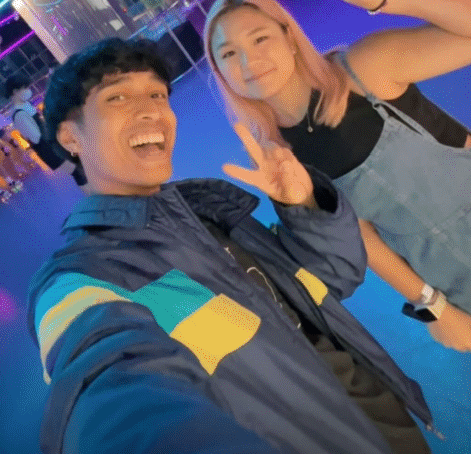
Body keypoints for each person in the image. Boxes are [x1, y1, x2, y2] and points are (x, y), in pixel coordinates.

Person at [28, 38, 435, 453]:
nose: (150, 108)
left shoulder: (208, 212)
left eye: (157, 94)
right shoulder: (79, 278)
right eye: (116, 97)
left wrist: (306, 207)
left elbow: (336, 277)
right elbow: (108, 388)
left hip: (384, 422)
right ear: (69, 136)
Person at [204, 0, 471, 352]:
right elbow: (362, 237)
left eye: (260, 38)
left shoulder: (365, 70)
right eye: (228, 54)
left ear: (290, 38)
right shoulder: (277, 157)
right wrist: (434, 307)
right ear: (221, 72)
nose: (249, 61)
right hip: (452, 275)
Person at [4, 75, 86, 186]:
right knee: (78, 173)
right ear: (15, 91)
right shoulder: (18, 114)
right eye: (25, 88)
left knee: (81, 172)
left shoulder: (25, 106)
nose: (28, 90)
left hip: (55, 146)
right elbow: (36, 137)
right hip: (49, 150)